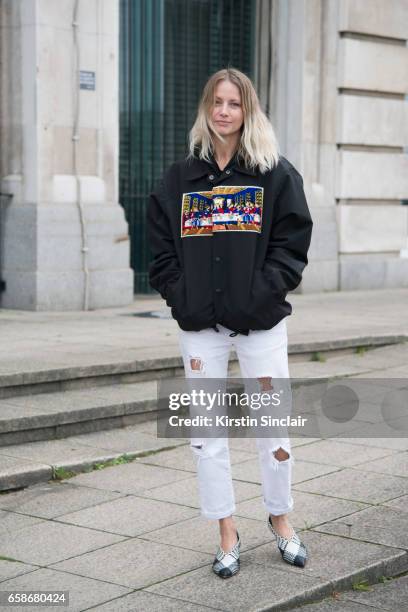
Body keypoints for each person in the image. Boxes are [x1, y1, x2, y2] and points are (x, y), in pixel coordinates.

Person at [147, 67, 313, 579]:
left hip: (260, 324)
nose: (223, 111)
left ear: (248, 111)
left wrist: (259, 296)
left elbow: (291, 248)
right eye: (216, 102)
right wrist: (183, 296)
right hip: (200, 328)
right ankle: (226, 532)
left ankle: (280, 521)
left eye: (234, 104)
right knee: (207, 435)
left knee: (273, 428)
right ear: (206, 109)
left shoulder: (275, 175)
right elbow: (160, 252)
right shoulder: (180, 180)